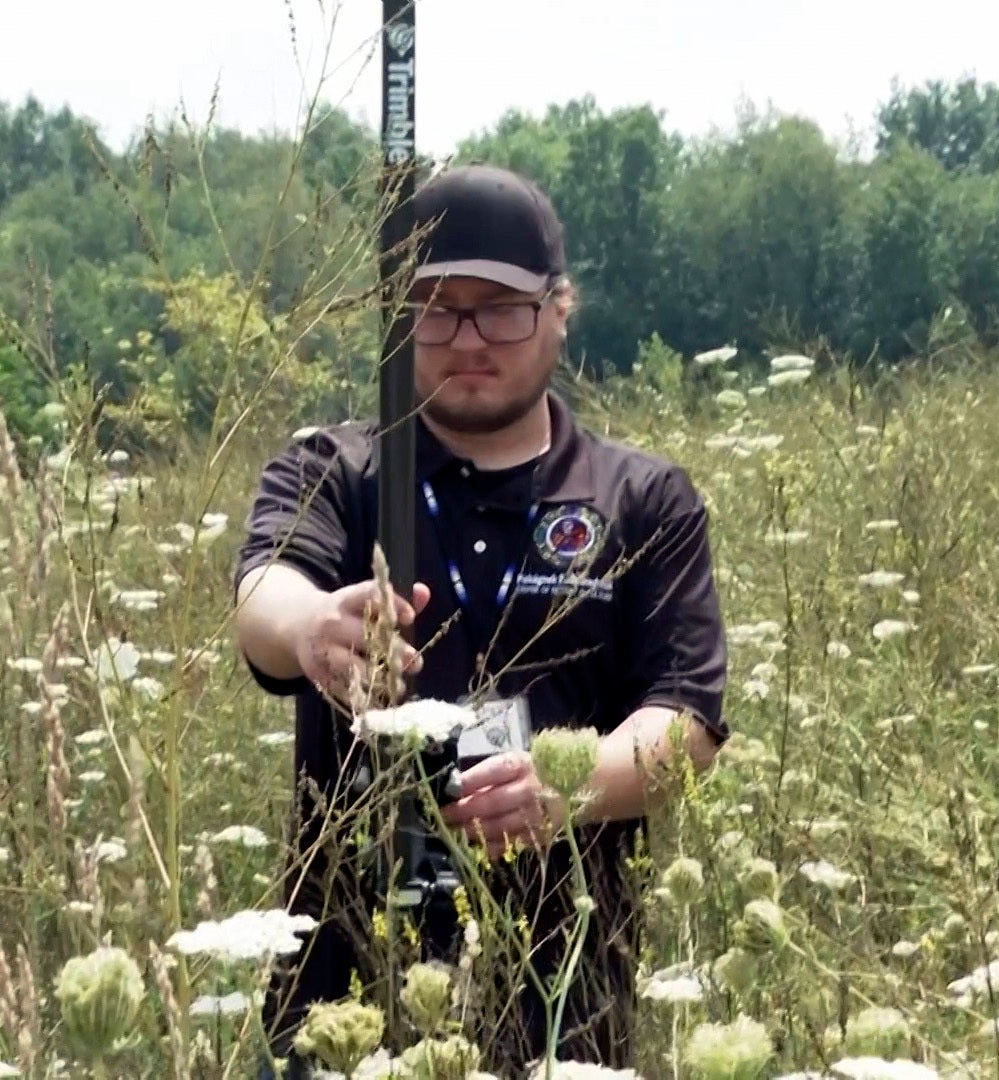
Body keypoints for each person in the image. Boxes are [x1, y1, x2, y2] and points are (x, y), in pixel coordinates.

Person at [233, 163, 730, 1077]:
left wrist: (568, 787)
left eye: (499, 308)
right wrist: (312, 629)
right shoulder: (336, 473)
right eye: (433, 307)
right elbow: (266, 590)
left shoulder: (641, 500)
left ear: (560, 307)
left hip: (560, 1001)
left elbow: (687, 725)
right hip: (345, 998)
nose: (467, 338)